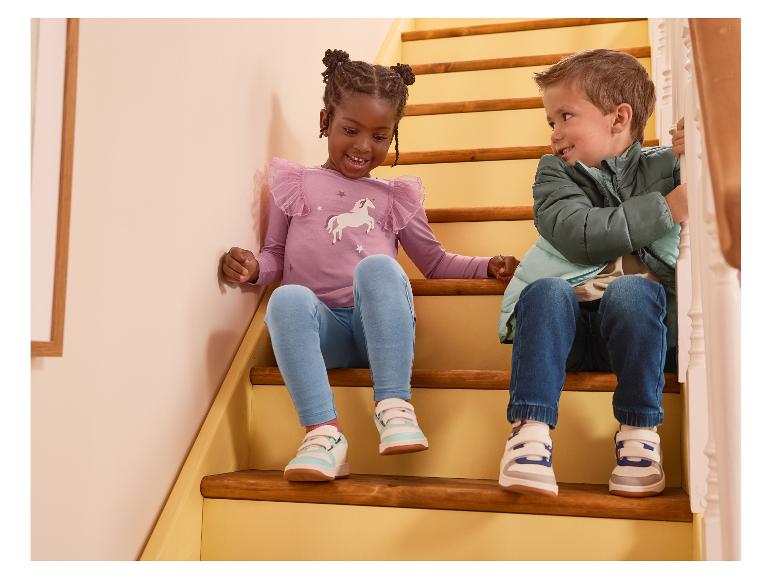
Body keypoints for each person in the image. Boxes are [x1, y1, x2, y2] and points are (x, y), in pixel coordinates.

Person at [222, 49, 518, 482]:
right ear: (326, 121)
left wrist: (485, 265)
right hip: (324, 332)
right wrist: (252, 269)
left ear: (394, 135)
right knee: (286, 298)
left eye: (380, 136)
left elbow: (434, 262)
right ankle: (324, 434)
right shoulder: (296, 183)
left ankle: (394, 405)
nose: (363, 146)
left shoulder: (394, 196)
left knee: (377, 269)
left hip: (379, 328)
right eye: (350, 129)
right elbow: (277, 257)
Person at [496, 49, 688, 498]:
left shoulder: (665, 168)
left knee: (633, 293)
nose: (555, 134)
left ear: (618, 118)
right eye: (551, 122)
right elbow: (579, 232)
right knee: (544, 291)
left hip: (637, 331)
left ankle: (639, 437)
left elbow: (732, 180)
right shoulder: (554, 175)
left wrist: (693, 146)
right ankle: (529, 435)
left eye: (565, 116)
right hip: (565, 333)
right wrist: (666, 209)